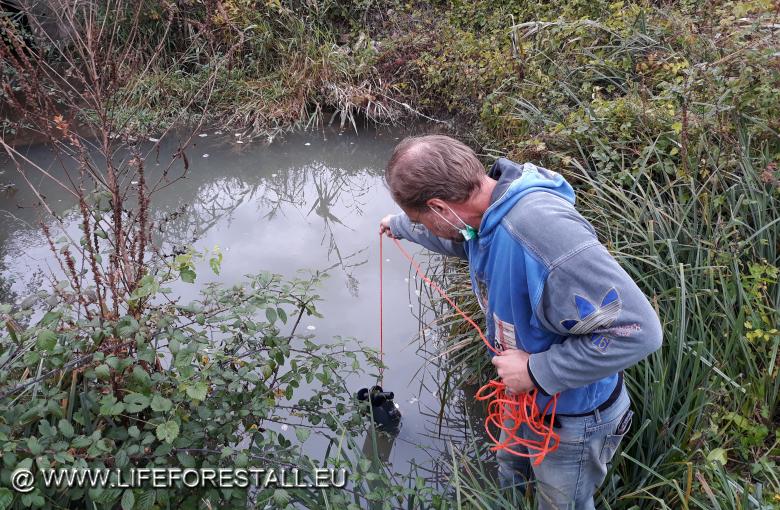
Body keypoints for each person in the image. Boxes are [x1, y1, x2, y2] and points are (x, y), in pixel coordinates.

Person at [379, 135, 662, 509]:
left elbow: (639, 331)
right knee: (510, 471)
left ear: (439, 206)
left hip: (572, 418)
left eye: (423, 220)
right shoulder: (485, 213)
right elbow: (461, 238)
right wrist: (401, 224)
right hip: (522, 398)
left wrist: (535, 370)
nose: (428, 229)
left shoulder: (540, 231)